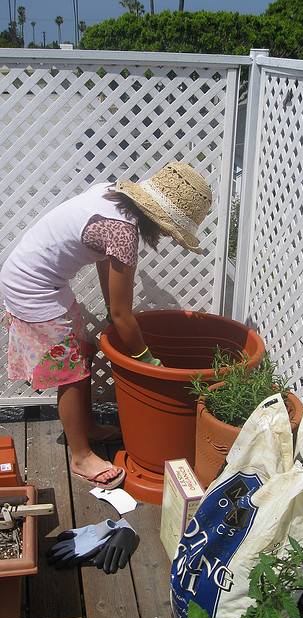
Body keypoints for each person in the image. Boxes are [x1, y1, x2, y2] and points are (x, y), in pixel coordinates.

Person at [0, 162, 212, 489]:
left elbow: (104, 261)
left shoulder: (109, 193)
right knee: (69, 371)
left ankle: (87, 427)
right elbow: (123, 315)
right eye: (168, 231)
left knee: (80, 354)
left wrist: (115, 311)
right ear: (159, 219)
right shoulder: (124, 232)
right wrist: (148, 360)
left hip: (38, 278)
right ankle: (81, 457)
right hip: (32, 287)